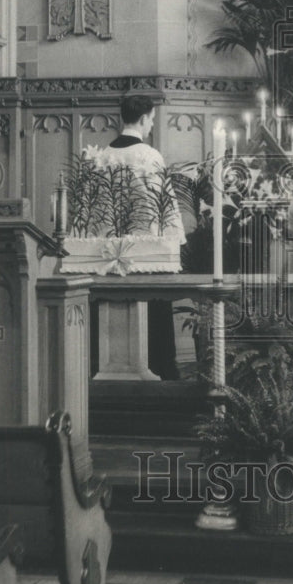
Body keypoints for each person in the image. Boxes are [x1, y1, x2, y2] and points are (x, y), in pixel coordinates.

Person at [107, 94, 184, 380]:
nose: (151, 125)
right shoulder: (149, 155)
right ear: (142, 119)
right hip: (148, 248)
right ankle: (161, 367)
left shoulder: (104, 154)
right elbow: (163, 203)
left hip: (112, 248)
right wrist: (175, 242)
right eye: (151, 119)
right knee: (154, 308)